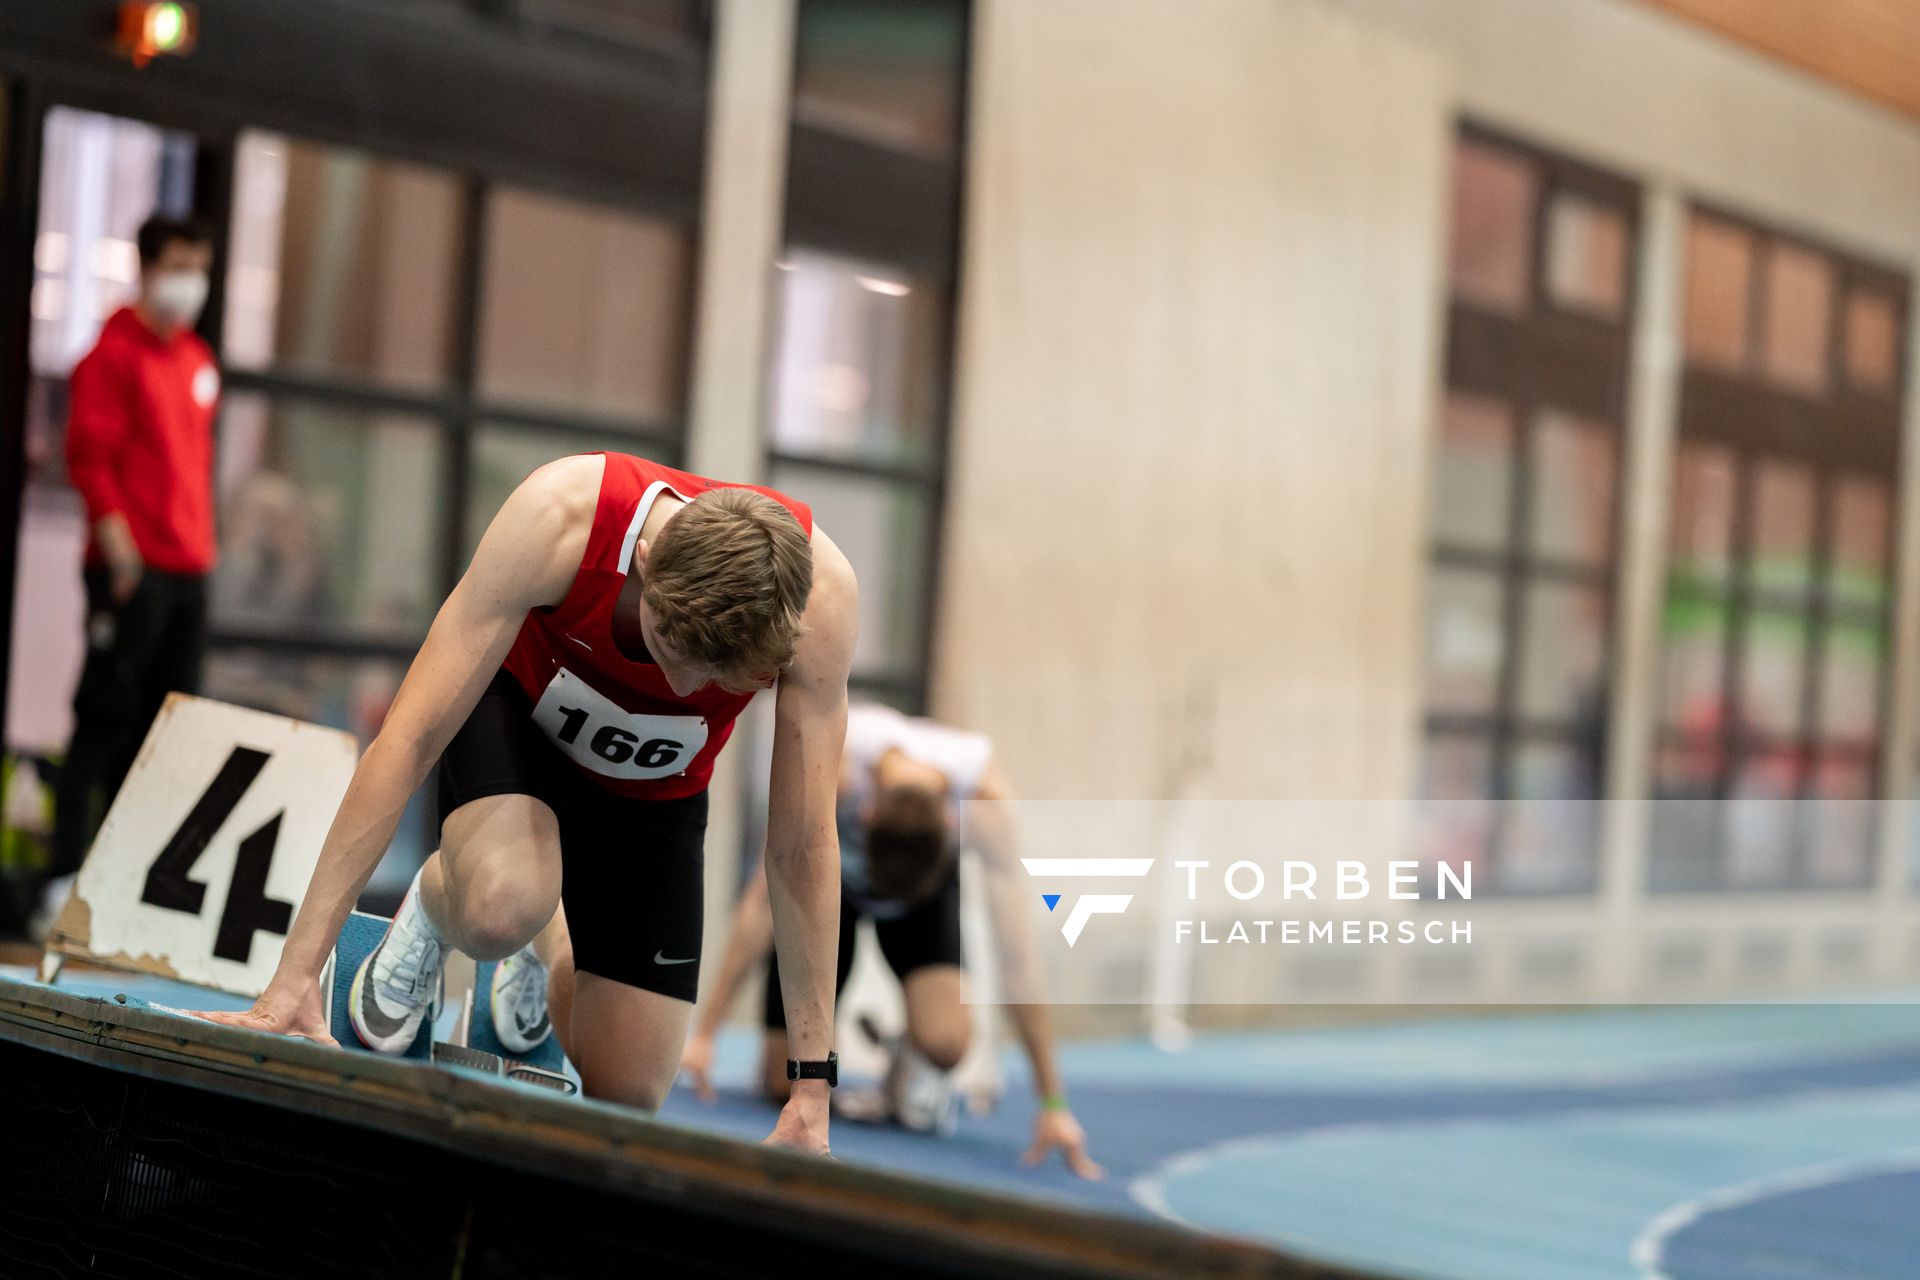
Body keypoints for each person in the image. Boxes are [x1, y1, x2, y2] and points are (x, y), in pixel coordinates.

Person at [200, 453, 857, 1155]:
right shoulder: (562, 518)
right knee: (500, 909)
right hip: (520, 716)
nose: (680, 680)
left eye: (715, 673)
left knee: (631, 1091)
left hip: (658, 781)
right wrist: (292, 981)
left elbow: (803, 845)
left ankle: (549, 950)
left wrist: (810, 1094)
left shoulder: (820, 605)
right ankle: (435, 897)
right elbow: (410, 737)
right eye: (667, 642)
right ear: (644, 559)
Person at [679, 703, 1102, 1178]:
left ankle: (907, 1051)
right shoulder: (834, 768)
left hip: (922, 894)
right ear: (867, 805)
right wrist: (706, 1034)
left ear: (948, 826)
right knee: (782, 1081)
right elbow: (762, 901)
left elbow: (1016, 957)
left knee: (947, 1045)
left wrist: (1053, 1102)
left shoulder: (983, 802)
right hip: (832, 885)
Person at [37, 215, 219, 940]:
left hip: (189, 570)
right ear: (146, 268)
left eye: (198, 265)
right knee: (102, 724)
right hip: (130, 570)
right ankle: (61, 879)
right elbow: (90, 461)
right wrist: (120, 553)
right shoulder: (110, 356)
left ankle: (127, 889)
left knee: (163, 737)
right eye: (178, 264)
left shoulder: (198, 361)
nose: (189, 280)